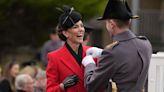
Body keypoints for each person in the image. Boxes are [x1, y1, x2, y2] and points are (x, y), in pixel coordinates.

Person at [82, 0, 152, 92]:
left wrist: (89, 65)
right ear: (129, 21)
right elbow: (126, 56)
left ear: (111, 25)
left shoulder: (112, 52)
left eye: (106, 23)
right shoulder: (145, 43)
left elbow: (92, 86)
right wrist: (103, 53)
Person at [46, 5, 91, 92]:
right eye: (75, 27)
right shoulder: (54, 57)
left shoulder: (92, 52)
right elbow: (50, 90)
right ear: (66, 33)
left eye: (82, 26)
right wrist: (62, 86)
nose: (81, 29)